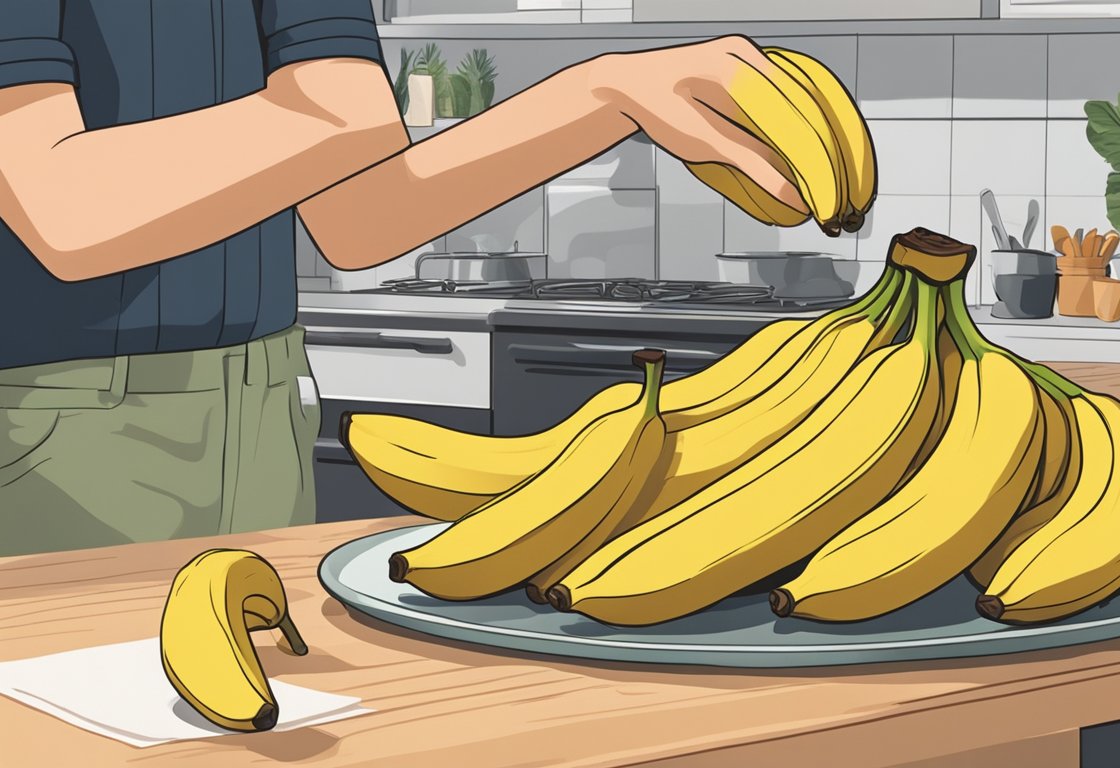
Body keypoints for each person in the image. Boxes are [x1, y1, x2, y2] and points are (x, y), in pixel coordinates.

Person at [0, 2, 806, 556]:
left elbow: (359, 216)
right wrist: (333, 116)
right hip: (58, 419)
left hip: (265, 402)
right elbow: (68, 215)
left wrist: (607, 94)